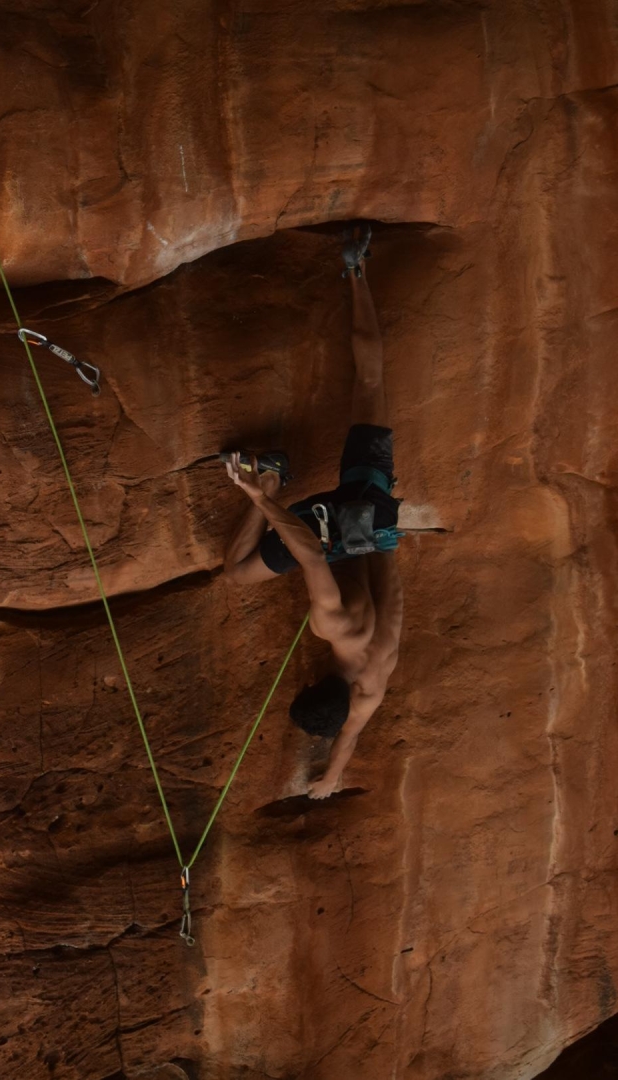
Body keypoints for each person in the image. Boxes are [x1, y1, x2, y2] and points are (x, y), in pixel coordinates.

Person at [222, 224, 404, 799]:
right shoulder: (334, 627)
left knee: (371, 385)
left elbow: (348, 737)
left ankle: (357, 267)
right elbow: (308, 554)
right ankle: (273, 474)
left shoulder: (370, 692)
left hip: (378, 525)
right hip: (337, 532)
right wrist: (262, 499)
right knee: (236, 572)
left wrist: (331, 778)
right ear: (309, 680)